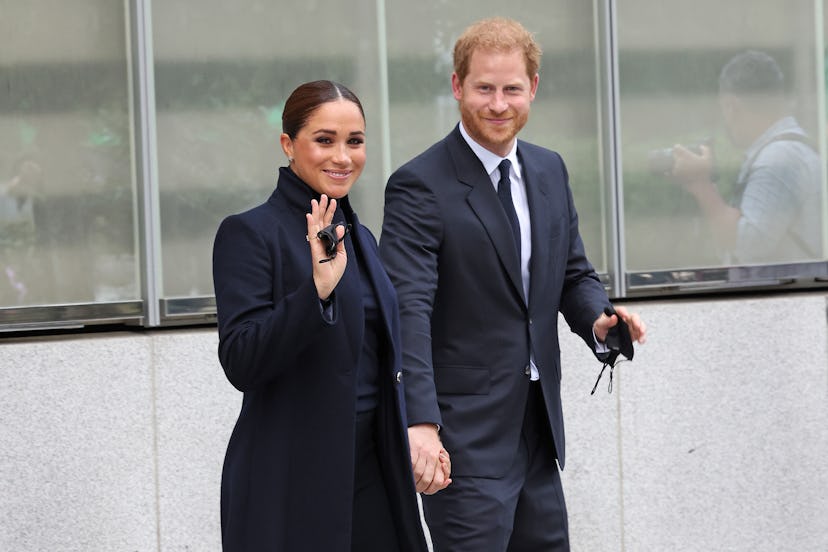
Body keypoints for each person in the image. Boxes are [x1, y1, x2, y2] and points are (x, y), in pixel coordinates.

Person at [379, 17, 647, 551]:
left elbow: (572, 273)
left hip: (537, 432)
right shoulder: (418, 185)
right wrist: (420, 424)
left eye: (511, 89)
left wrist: (599, 318)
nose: (498, 104)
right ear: (458, 87)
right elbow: (406, 309)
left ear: (534, 89)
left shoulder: (549, 170)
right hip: (462, 438)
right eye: (483, 88)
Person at [212, 80, 434, 551]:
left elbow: (383, 357)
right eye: (324, 140)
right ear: (289, 144)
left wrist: (419, 428)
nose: (342, 156)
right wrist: (316, 291)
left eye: (354, 141)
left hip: (375, 473)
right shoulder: (250, 233)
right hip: (291, 481)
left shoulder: (362, 239)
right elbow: (241, 360)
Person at [671, 49, 822, 264]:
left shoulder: (779, 158)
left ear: (731, 106)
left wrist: (701, 183)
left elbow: (747, 244)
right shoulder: (790, 148)